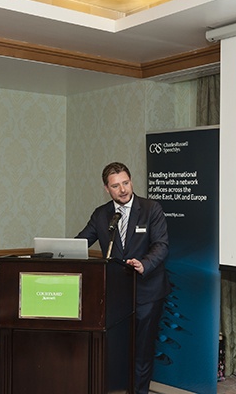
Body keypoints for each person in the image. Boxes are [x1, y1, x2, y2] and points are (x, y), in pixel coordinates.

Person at [76, 161, 170, 394]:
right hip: (115, 295)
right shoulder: (101, 215)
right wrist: (58, 253)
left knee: (142, 350)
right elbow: (80, 243)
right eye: (116, 186)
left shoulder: (151, 209)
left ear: (131, 181)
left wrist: (144, 263)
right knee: (115, 347)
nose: (123, 190)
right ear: (106, 188)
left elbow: (161, 245)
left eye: (126, 183)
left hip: (147, 291)